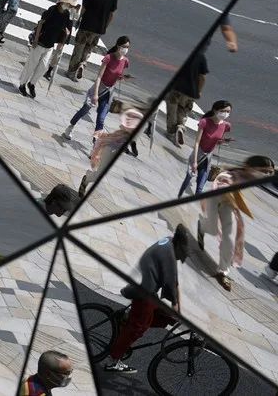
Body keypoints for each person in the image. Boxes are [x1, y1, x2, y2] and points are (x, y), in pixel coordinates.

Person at [103, 225, 194, 374]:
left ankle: (127, 319)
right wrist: (175, 305)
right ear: (178, 245)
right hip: (144, 292)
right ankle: (112, 361)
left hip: (145, 285)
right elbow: (170, 284)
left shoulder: (169, 242)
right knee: (137, 329)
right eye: (183, 253)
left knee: (164, 316)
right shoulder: (169, 255)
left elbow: (174, 279)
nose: (183, 258)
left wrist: (176, 308)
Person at [198, 156, 274, 291]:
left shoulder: (251, 179)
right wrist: (226, 190)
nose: (265, 175)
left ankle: (223, 272)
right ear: (250, 167)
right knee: (212, 229)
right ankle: (202, 226)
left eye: (268, 173)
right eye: (263, 171)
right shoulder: (231, 175)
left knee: (230, 240)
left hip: (229, 207)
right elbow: (222, 181)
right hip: (215, 201)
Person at [62, 35, 131, 143]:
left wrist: (122, 77)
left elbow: (116, 76)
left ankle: (95, 144)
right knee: (84, 110)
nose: (125, 49)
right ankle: (70, 127)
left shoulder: (125, 61)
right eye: (124, 46)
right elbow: (99, 77)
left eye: (127, 47)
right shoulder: (108, 58)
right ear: (118, 46)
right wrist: (95, 94)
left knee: (101, 119)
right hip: (99, 88)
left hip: (108, 93)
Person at [67, 0, 117, 81]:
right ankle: (82, 64)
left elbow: (84, 7)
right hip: (99, 28)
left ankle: (71, 71)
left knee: (79, 48)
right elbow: (111, 14)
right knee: (88, 49)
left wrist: (79, 18)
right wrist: (105, 27)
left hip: (86, 24)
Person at [19, 0, 73, 98]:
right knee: (31, 64)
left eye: (69, 5)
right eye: (67, 4)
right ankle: (22, 84)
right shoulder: (52, 10)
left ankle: (32, 83)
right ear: (61, 2)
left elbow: (65, 30)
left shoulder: (66, 14)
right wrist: (36, 39)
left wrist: (65, 36)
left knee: (43, 66)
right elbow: (41, 23)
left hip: (50, 45)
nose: (68, 6)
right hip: (40, 42)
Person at [178, 100, 232, 198]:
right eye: (223, 111)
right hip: (198, 154)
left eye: (228, 112)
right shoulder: (205, 122)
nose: (226, 114)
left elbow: (217, 140)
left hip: (208, 157)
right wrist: (194, 162)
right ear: (215, 110)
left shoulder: (226, 125)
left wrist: (224, 141)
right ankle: (179, 196)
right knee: (188, 178)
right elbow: (197, 142)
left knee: (200, 188)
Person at [166, 45, 208, 147]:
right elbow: (202, 78)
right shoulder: (201, 58)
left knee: (172, 109)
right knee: (183, 110)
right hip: (190, 92)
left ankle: (171, 132)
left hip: (177, 88)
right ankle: (180, 127)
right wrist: (199, 91)